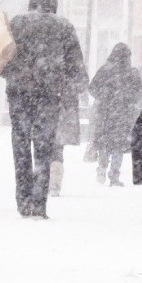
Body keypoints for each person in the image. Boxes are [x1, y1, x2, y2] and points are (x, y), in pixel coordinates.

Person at [2, 0, 87, 218]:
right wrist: (66, 82)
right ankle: (39, 203)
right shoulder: (64, 27)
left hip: (19, 94)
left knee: (20, 147)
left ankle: (23, 200)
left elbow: (3, 58)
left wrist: (15, 75)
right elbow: (76, 69)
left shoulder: (17, 23)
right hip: (49, 96)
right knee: (44, 148)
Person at [89, 43, 142, 186]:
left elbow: (92, 88)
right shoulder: (131, 73)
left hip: (105, 113)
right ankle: (114, 175)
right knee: (118, 145)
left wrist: (103, 95)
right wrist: (128, 98)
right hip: (122, 114)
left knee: (105, 143)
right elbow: (138, 92)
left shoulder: (105, 70)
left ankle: (102, 168)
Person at [49, 66, 88, 197]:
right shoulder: (72, 59)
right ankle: (54, 183)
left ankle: (48, 182)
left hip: (48, 109)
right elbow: (83, 83)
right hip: (65, 111)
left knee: (49, 148)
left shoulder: (47, 57)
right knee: (56, 149)